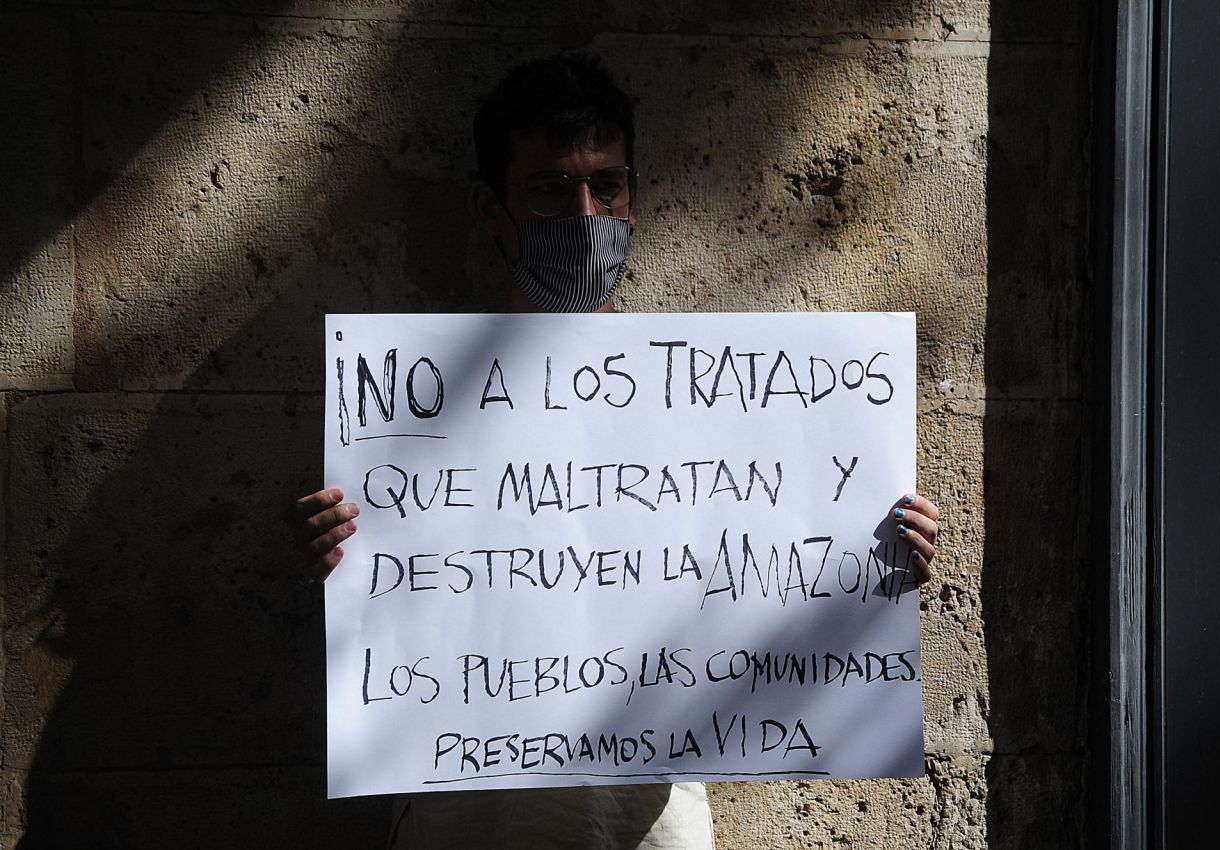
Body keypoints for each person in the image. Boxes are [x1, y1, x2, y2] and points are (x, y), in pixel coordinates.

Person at [291, 53, 941, 849]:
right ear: (489, 209)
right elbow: (393, 592)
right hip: (468, 806)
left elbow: (775, 572)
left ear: (634, 204)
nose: (586, 212)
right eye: (551, 189)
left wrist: (879, 555)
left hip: (650, 813)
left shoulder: (720, 403)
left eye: (608, 185)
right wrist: (343, 554)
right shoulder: (411, 403)